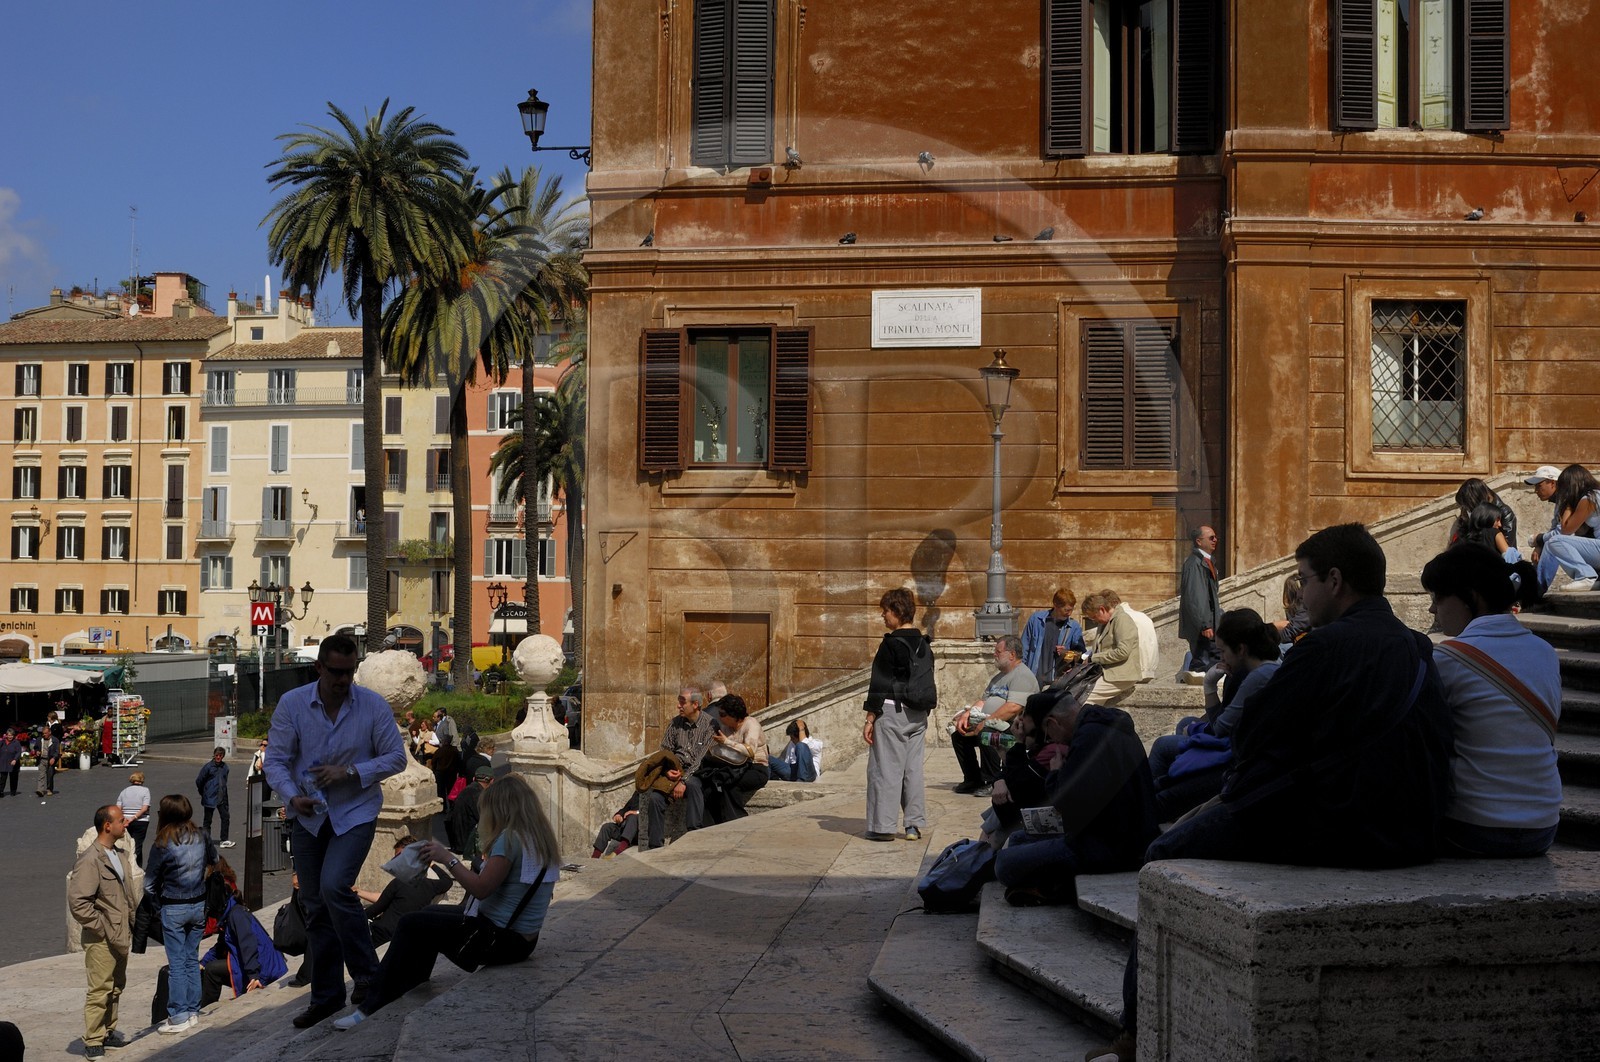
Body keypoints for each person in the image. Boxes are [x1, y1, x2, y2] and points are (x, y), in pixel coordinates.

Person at [1095, 524, 1454, 1062]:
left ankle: (1134, 1033)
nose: (1302, 592)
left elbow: (1259, 735)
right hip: (1408, 829)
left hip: (1331, 824)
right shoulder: (1417, 646)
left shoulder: (1325, 646)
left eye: (1305, 580)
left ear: (1335, 581)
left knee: (1161, 854)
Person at [333, 773, 558, 1030]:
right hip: (522, 940)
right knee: (428, 915)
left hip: (499, 939)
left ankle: (369, 1006)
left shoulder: (509, 839)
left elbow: (482, 889)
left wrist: (447, 859)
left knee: (410, 922)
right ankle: (415, 981)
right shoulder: (538, 837)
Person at [263, 633, 408, 1030]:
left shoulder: (372, 706)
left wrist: (351, 772)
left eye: (350, 672)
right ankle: (326, 997)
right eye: (336, 673)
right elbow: (275, 761)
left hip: (355, 812)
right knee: (314, 905)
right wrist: (293, 798)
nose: (344, 680)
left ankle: (368, 976)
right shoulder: (293, 705)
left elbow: (396, 758)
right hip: (307, 816)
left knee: (333, 887)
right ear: (319, 668)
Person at [1421, 544, 1561, 857]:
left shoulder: (1448, 659)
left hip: (1473, 828)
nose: (1433, 610)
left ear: (1472, 597)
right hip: (1543, 828)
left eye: (1438, 597)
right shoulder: (1545, 653)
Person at [993, 693, 1158, 906]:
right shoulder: (1101, 726)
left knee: (1004, 865)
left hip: (1109, 846)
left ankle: (1057, 887)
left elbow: (1066, 806)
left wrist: (1055, 773)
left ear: (1053, 723)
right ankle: (1048, 881)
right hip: (1108, 833)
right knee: (1017, 839)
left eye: (1048, 734)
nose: (1052, 740)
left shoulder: (1089, 739)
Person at [1146, 609, 1281, 822]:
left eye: (1222, 652)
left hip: (1235, 768)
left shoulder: (1257, 676)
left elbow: (1219, 728)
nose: (1221, 658)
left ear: (1241, 649)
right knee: (1162, 784)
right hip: (1238, 759)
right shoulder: (1263, 670)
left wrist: (1209, 686)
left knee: (1159, 787)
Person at [144, 794, 218, 1034]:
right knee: (190, 959)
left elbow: (148, 884)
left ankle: (178, 1015)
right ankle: (193, 1010)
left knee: (176, 963)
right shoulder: (202, 835)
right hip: (198, 905)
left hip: (173, 905)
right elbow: (214, 860)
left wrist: (157, 906)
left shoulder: (162, 843)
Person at [863, 587, 933, 842]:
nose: (883, 616)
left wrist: (870, 717)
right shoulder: (924, 644)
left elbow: (879, 683)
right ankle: (913, 826)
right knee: (912, 771)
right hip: (918, 715)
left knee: (886, 769)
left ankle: (883, 827)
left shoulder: (891, 643)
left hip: (893, 712)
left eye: (885, 611)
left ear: (896, 611)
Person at [68, 804, 135, 1058]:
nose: (125, 823)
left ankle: (108, 1030)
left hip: (120, 933)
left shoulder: (120, 854)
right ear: (107, 825)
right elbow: (78, 903)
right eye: (120, 820)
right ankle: (93, 1039)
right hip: (102, 938)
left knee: (116, 986)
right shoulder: (90, 860)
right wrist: (102, 927)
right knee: (100, 989)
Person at [950, 635, 1038, 797]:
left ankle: (993, 780)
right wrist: (967, 715)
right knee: (959, 736)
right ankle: (972, 779)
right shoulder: (998, 678)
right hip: (995, 724)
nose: (994, 655)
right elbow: (983, 701)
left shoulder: (1022, 675)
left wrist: (985, 722)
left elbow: (1013, 707)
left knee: (987, 733)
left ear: (1012, 655)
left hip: (1016, 732)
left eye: (998, 651)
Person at [196, 858, 288, 1006]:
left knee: (212, 971)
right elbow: (221, 945)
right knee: (209, 967)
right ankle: (201, 1004)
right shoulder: (229, 913)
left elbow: (249, 945)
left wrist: (254, 975)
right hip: (257, 964)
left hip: (263, 967)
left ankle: (203, 1006)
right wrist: (203, 962)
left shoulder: (236, 915)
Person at [640, 688, 719, 847]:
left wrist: (683, 780)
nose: (678, 706)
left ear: (695, 704)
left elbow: (702, 759)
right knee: (655, 799)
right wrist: (668, 770)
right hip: (674, 771)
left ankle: (693, 834)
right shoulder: (675, 723)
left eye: (682, 702)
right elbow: (665, 750)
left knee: (693, 786)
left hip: (696, 772)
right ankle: (654, 845)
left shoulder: (710, 724)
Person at [354, 836, 452, 945]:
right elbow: (448, 881)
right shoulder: (430, 883)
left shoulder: (402, 882)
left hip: (386, 933)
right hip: (410, 929)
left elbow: (378, 906)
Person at [700, 694, 769, 823]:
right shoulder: (726, 727)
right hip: (733, 767)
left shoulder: (750, 724)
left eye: (723, 714)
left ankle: (737, 821)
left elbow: (750, 751)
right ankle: (711, 823)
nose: (720, 717)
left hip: (756, 768)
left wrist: (726, 742)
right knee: (711, 784)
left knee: (730, 783)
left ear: (733, 714)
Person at [1539, 464, 1600, 591]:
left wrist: (1567, 504)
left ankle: (1586, 576)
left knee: (1554, 541)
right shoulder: (1596, 494)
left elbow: (1565, 530)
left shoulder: (1589, 499)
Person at [1080, 592, 1142, 707]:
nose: (1094, 621)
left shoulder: (1122, 620)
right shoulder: (1105, 622)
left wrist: (1094, 658)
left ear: (1102, 609)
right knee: (1077, 692)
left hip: (1121, 675)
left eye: (1094, 617)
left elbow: (1123, 652)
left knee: (1085, 699)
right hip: (1108, 672)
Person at [1178, 526, 1223, 680]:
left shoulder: (1205, 561)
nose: (1215, 540)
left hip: (1208, 623)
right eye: (1211, 537)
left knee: (1208, 660)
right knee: (1203, 663)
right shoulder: (1195, 563)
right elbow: (1196, 596)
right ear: (1199, 541)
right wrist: (1205, 624)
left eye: (1215, 537)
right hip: (1203, 626)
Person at [1019, 589, 1088, 685]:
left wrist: (1067, 653)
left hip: (1057, 680)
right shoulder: (1036, 620)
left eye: (1071, 610)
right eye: (1066, 610)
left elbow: (1082, 656)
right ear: (1055, 605)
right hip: (1033, 677)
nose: (1069, 613)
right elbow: (1024, 648)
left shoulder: (1073, 627)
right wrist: (1021, 673)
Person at [1448, 478, 1518, 550]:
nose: (1466, 510)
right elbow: (1462, 534)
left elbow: (1508, 547)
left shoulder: (1505, 513)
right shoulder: (1467, 512)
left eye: (1467, 506)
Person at [1525, 464, 1563, 591]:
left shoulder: (1567, 500)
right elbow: (1555, 529)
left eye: (1539, 485)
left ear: (1552, 483)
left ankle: (1536, 591)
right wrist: (1540, 543)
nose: (1536, 490)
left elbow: (1561, 534)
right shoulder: (1560, 502)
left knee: (1553, 543)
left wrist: (1539, 538)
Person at [448, 766, 494, 862]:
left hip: (458, 841)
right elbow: (486, 821)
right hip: (467, 845)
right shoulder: (479, 795)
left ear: (474, 778)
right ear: (492, 781)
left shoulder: (467, 790)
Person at [195, 746, 233, 849]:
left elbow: (225, 781)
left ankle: (224, 840)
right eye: (216, 755)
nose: (218, 757)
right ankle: (206, 840)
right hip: (210, 797)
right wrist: (203, 792)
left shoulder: (225, 767)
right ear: (214, 755)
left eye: (220, 756)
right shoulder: (208, 767)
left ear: (223, 756)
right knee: (208, 820)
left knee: (225, 818)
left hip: (222, 798)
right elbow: (199, 780)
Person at [116, 772, 152, 867]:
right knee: (137, 845)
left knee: (126, 844)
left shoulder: (124, 791)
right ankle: (135, 867)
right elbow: (144, 808)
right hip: (141, 821)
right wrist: (134, 818)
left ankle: (126, 866)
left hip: (125, 821)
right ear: (142, 780)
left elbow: (118, 808)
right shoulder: (145, 791)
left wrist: (125, 819)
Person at [35, 713, 61, 798]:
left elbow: (57, 751)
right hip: (42, 759)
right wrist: (37, 751)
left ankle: (49, 789)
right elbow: (36, 747)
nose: (44, 735)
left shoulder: (55, 740)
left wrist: (54, 758)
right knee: (41, 775)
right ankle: (40, 790)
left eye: (45, 733)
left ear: (49, 732)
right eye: (43, 733)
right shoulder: (39, 739)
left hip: (50, 760)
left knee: (50, 776)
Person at [0, 727, 21, 798]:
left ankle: (13, 791)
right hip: (3, 762)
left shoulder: (16, 742)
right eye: (9, 735)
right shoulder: (2, 742)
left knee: (13, 778)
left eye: (11, 735)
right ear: (6, 735)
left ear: (13, 735)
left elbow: (18, 752)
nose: (10, 737)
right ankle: (1, 791)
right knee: (2, 778)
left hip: (13, 763)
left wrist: (15, 759)